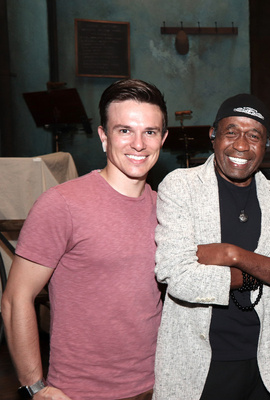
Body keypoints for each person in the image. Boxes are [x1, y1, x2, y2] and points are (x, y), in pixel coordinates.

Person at [1, 79, 169, 400]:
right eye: (124, 130)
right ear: (104, 137)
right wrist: (35, 387)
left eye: (149, 132)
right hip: (79, 391)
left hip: (156, 385)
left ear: (162, 138)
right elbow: (15, 299)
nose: (138, 144)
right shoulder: (63, 204)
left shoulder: (166, 208)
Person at [152, 93, 270, 400]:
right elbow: (178, 277)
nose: (242, 145)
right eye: (231, 132)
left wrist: (234, 255)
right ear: (213, 135)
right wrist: (269, 267)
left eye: (254, 135)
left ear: (266, 144)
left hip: (265, 364)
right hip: (198, 366)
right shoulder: (180, 187)